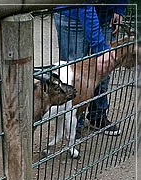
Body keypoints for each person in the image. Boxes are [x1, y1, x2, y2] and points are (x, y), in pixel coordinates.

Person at [54, 1, 128, 137]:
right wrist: (101, 47)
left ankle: (97, 115)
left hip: (107, 15)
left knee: (103, 72)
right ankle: (73, 121)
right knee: (73, 73)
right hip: (73, 12)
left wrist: (119, 7)